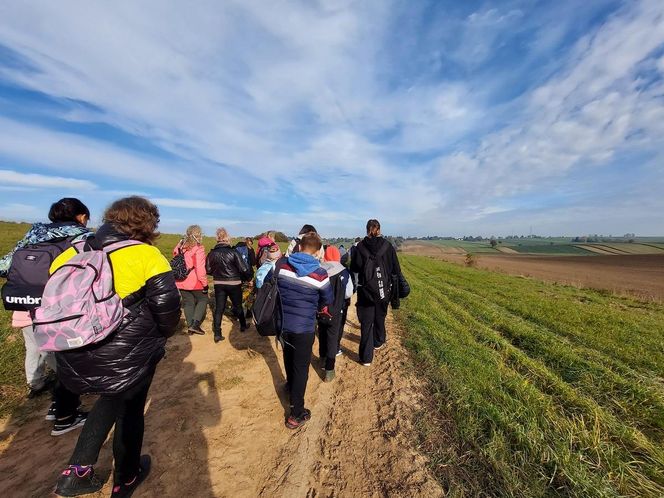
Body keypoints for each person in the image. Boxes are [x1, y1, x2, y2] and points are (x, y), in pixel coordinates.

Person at [53, 196, 181, 498]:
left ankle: (77, 471)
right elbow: (167, 310)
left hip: (74, 349)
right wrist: (160, 336)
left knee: (110, 399)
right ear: (148, 223)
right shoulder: (146, 255)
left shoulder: (71, 252)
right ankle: (126, 478)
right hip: (129, 353)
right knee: (130, 412)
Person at [0, 197, 90, 433]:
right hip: (60, 311)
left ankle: (40, 388)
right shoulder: (81, 237)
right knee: (69, 359)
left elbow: (4, 266)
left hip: (26, 306)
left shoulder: (32, 236)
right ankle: (65, 415)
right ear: (81, 216)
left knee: (36, 348)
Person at [267, 231, 332, 429]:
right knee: (301, 367)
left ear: (300, 246)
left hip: (283, 323)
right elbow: (327, 300)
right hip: (304, 328)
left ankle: (289, 387)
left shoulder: (282, 264)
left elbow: (272, 284)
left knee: (288, 356)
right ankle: (296, 413)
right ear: (318, 251)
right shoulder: (320, 274)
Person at [351, 220, 401, 367]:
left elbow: (354, 267)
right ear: (379, 230)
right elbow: (395, 269)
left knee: (366, 323)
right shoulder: (388, 246)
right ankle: (378, 341)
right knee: (380, 316)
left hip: (365, 290)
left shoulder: (359, 247)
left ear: (367, 230)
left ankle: (366, 358)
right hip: (383, 290)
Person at [206, 228, 252, 342]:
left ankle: (217, 333)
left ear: (217, 239)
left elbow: (208, 269)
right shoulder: (234, 252)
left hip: (218, 283)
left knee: (219, 308)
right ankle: (242, 325)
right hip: (234, 282)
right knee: (238, 306)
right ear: (227, 239)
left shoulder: (211, 253)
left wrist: (216, 274)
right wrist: (248, 278)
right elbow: (244, 268)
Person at [318, 246, 353, 382]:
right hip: (336, 311)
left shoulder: (319, 269)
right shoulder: (344, 272)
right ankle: (329, 370)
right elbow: (348, 293)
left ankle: (322, 359)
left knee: (321, 334)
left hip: (321, 310)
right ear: (338, 256)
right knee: (332, 338)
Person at [173, 225, 208, 335]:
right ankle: (195, 324)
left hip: (180, 280)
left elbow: (175, 254)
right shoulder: (198, 248)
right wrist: (205, 284)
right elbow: (200, 269)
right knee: (203, 299)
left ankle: (190, 327)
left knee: (188, 303)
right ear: (198, 235)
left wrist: (181, 242)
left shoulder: (180, 247)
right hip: (194, 281)